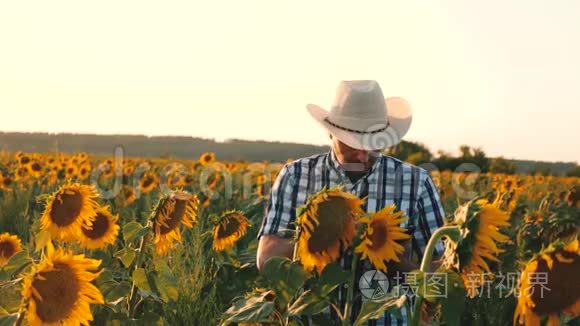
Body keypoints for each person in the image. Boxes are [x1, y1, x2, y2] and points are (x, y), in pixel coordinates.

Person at [256, 80, 445, 325]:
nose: (363, 154)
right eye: (354, 142)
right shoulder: (296, 176)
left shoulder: (415, 182)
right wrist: (325, 235)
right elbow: (267, 260)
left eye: (374, 142)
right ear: (330, 131)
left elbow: (441, 273)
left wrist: (398, 264)